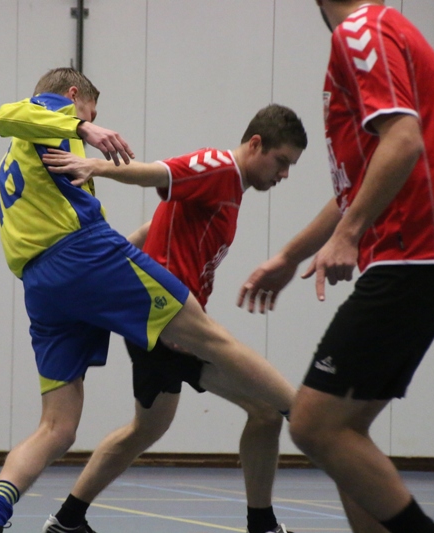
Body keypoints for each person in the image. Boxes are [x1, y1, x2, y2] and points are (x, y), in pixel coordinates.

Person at [0, 68, 298, 533]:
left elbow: (151, 225)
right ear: (74, 95)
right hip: (82, 254)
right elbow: (7, 114)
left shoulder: (22, 155)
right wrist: (86, 132)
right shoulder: (49, 116)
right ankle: (307, 416)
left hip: (41, 283)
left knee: (59, 428)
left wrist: (123, 253)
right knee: (215, 343)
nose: (91, 120)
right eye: (91, 110)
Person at [238, 2, 434, 533]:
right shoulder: (381, 32)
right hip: (424, 258)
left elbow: (404, 139)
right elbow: (358, 184)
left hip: (417, 253)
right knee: (343, 434)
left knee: (313, 424)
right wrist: (290, 256)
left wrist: (349, 236)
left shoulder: (361, 29)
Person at [38, 104, 308, 533]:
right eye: (281, 162)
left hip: (156, 326)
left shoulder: (227, 190)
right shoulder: (218, 167)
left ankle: (67, 520)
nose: (285, 174)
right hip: (169, 323)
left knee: (145, 430)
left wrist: (105, 269)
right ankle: (304, 426)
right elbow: (155, 172)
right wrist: (97, 166)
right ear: (256, 144)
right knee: (266, 408)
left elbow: (155, 224)